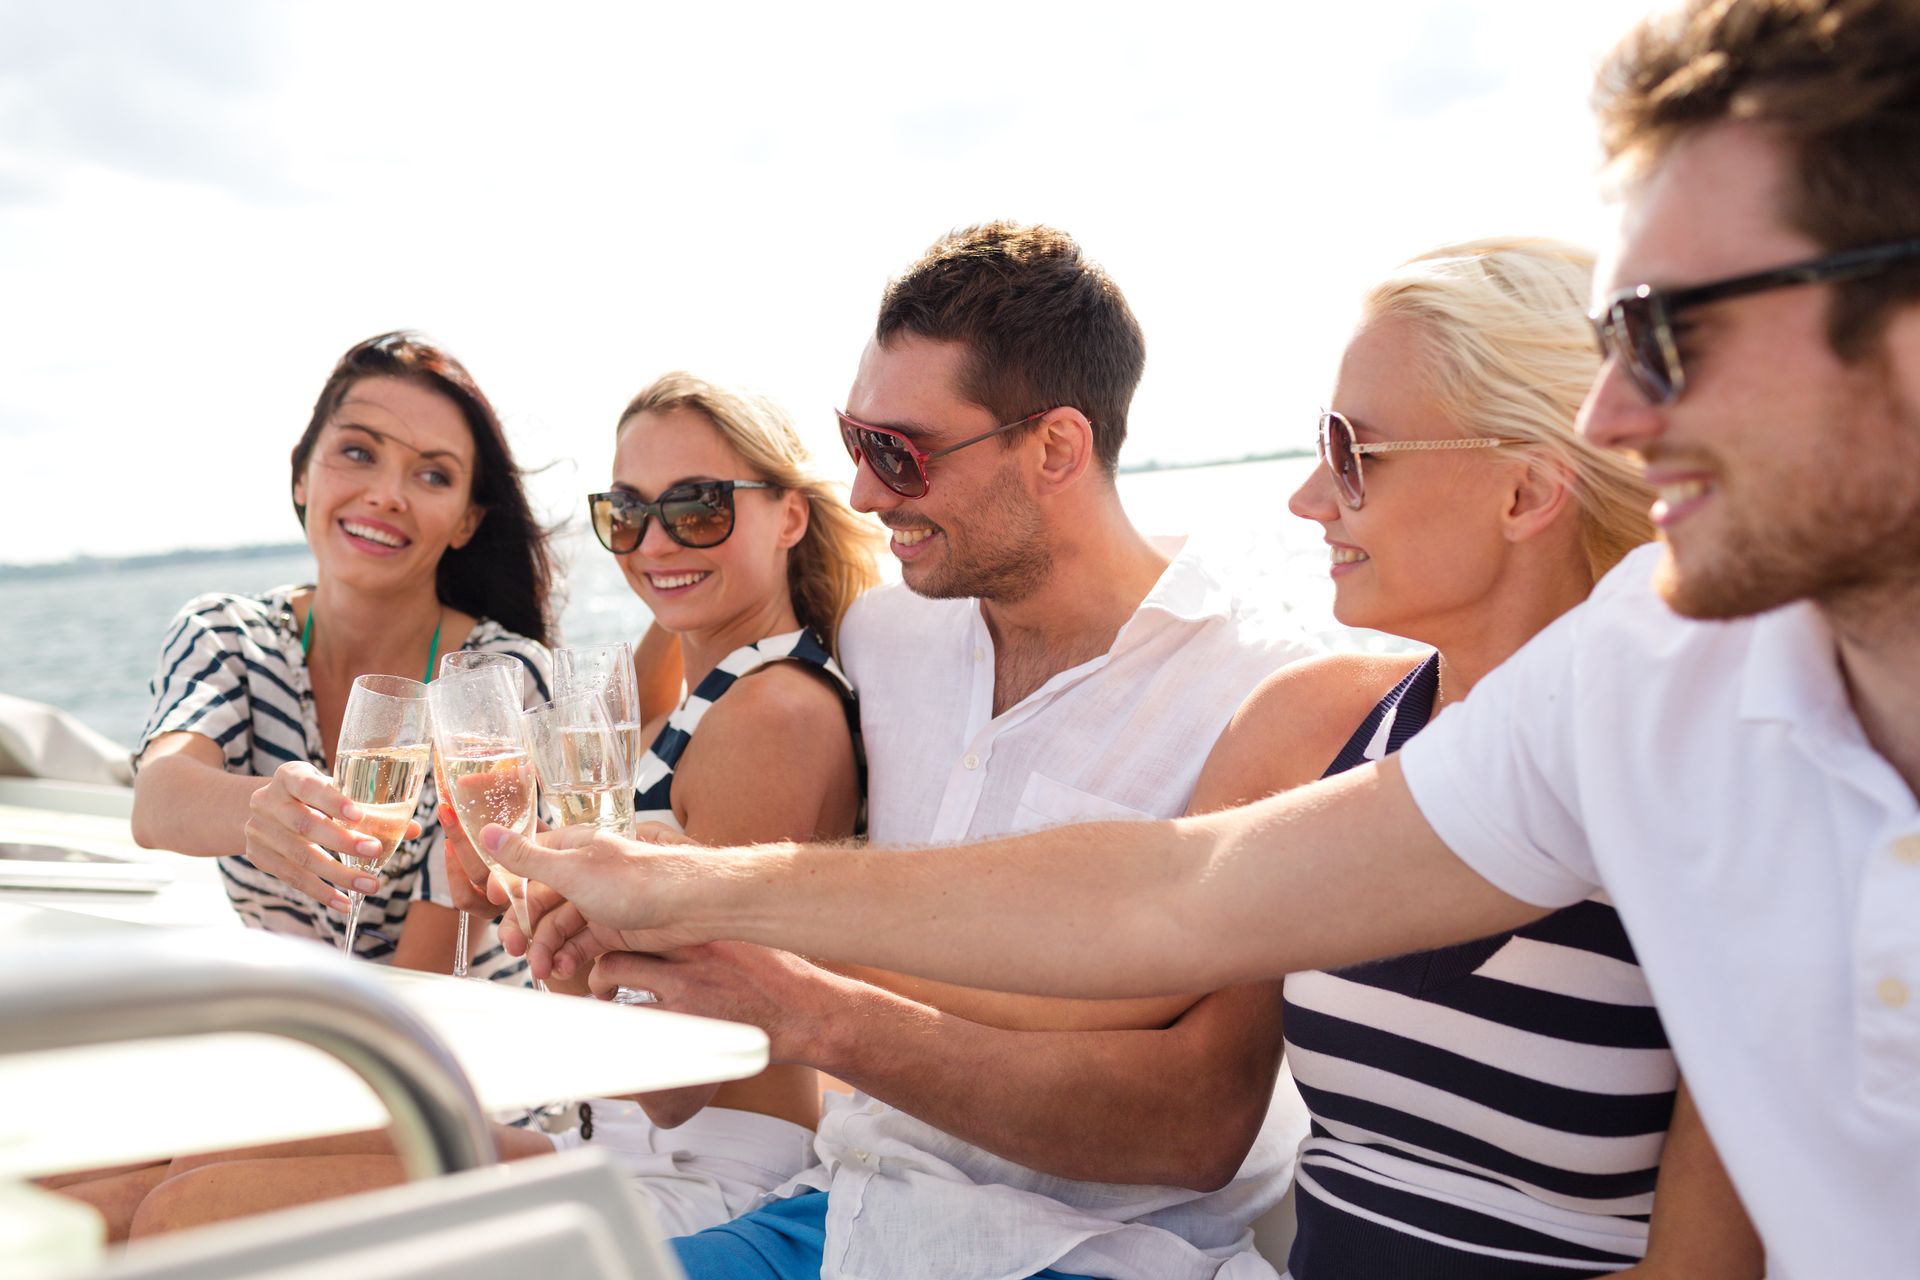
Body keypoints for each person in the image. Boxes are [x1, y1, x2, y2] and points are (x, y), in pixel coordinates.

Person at [484, 4, 1920, 1276]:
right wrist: (697, 897)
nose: (1617, 413)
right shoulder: (1643, 689)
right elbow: (1175, 893)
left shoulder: (1660, 710)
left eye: (1671, 333)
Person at [557, 223, 1320, 1280]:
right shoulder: (884, 635)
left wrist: (803, 1003)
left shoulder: (1256, 693)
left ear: (1055, 447)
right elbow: (702, 643)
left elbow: (1196, 1126)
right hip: (837, 1218)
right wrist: (616, 859)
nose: (864, 494)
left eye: (898, 451)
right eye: (853, 440)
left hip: (1101, 1255)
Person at [74, 373, 880, 1242]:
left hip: (687, 1169)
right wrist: (517, 886)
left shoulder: (773, 717)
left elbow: (675, 1084)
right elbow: (607, 707)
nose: (657, 542)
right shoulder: (706, 667)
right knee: (129, 1169)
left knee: (189, 1205)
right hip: (592, 1126)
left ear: (790, 516)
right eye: (627, 512)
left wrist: (544, 903)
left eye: (700, 507)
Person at [1184, 238, 1755, 1276]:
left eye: (1352, 448)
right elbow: (1130, 925)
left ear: (1526, 492)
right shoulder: (1319, 727)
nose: (1310, 495)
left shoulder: (1707, 792)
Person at [132, 329, 554, 976]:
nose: (388, 494)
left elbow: (425, 973)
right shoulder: (227, 636)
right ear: (301, 473)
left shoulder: (497, 676)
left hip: (459, 1042)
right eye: (358, 452)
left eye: (433, 474)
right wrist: (260, 811)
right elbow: (158, 801)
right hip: (306, 1024)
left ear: (467, 520)